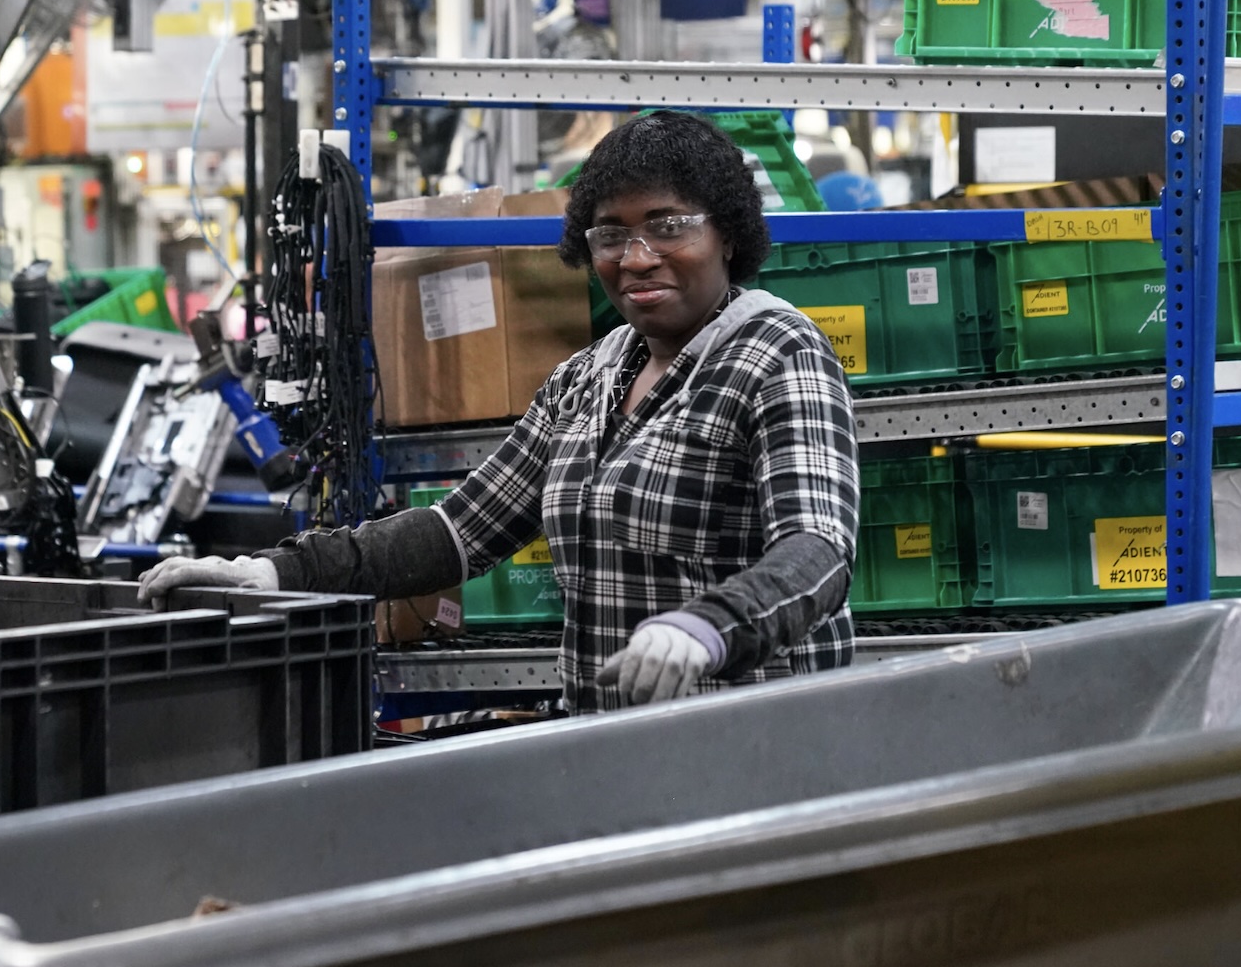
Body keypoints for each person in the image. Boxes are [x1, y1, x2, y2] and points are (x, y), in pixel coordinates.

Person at [143, 109, 860, 711]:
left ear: (727, 233)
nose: (637, 257)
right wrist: (275, 573)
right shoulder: (591, 375)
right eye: (611, 234)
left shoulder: (777, 352)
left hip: (754, 747)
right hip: (613, 746)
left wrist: (707, 628)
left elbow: (818, 550)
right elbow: (457, 531)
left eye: (668, 225)